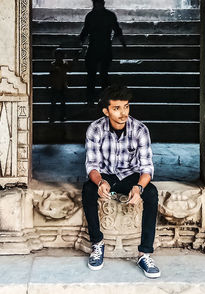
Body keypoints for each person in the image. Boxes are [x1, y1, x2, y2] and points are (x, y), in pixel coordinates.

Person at [82, 85, 161, 279]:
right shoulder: (95, 129)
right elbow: (92, 165)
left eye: (126, 107)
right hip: (106, 174)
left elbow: (147, 167)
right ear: (106, 111)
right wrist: (100, 182)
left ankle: (144, 254)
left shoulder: (140, 130)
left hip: (130, 176)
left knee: (151, 193)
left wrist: (139, 187)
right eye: (116, 108)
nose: (123, 113)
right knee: (87, 190)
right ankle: (97, 243)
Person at [79, 0, 126, 105]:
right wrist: (124, 44)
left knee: (99, 75)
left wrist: (123, 44)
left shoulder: (92, 15)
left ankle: (96, 99)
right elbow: (117, 30)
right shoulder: (106, 15)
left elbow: (85, 32)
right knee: (96, 75)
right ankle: (95, 99)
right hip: (100, 47)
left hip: (98, 48)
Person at [48, 49, 79, 122]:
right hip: (55, 86)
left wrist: (75, 59)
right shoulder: (53, 65)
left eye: (60, 56)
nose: (59, 58)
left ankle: (62, 116)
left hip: (63, 86)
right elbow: (51, 74)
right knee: (53, 103)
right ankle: (52, 117)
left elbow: (70, 68)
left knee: (63, 103)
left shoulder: (65, 64)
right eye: (58, 56)